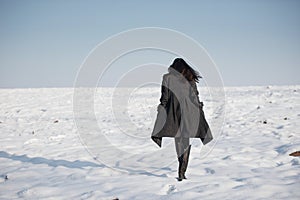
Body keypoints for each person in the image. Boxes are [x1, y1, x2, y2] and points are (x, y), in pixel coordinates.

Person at [151, 58, 213, 181]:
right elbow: (195, 96)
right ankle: (182, 170)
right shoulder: (190, 79)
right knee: (185, 139)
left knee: (179, 139)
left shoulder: (167, 78)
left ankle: (181, 168)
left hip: (175, 112)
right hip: (191, 112)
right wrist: (199, 109)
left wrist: (161, 109)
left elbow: (165, 96)